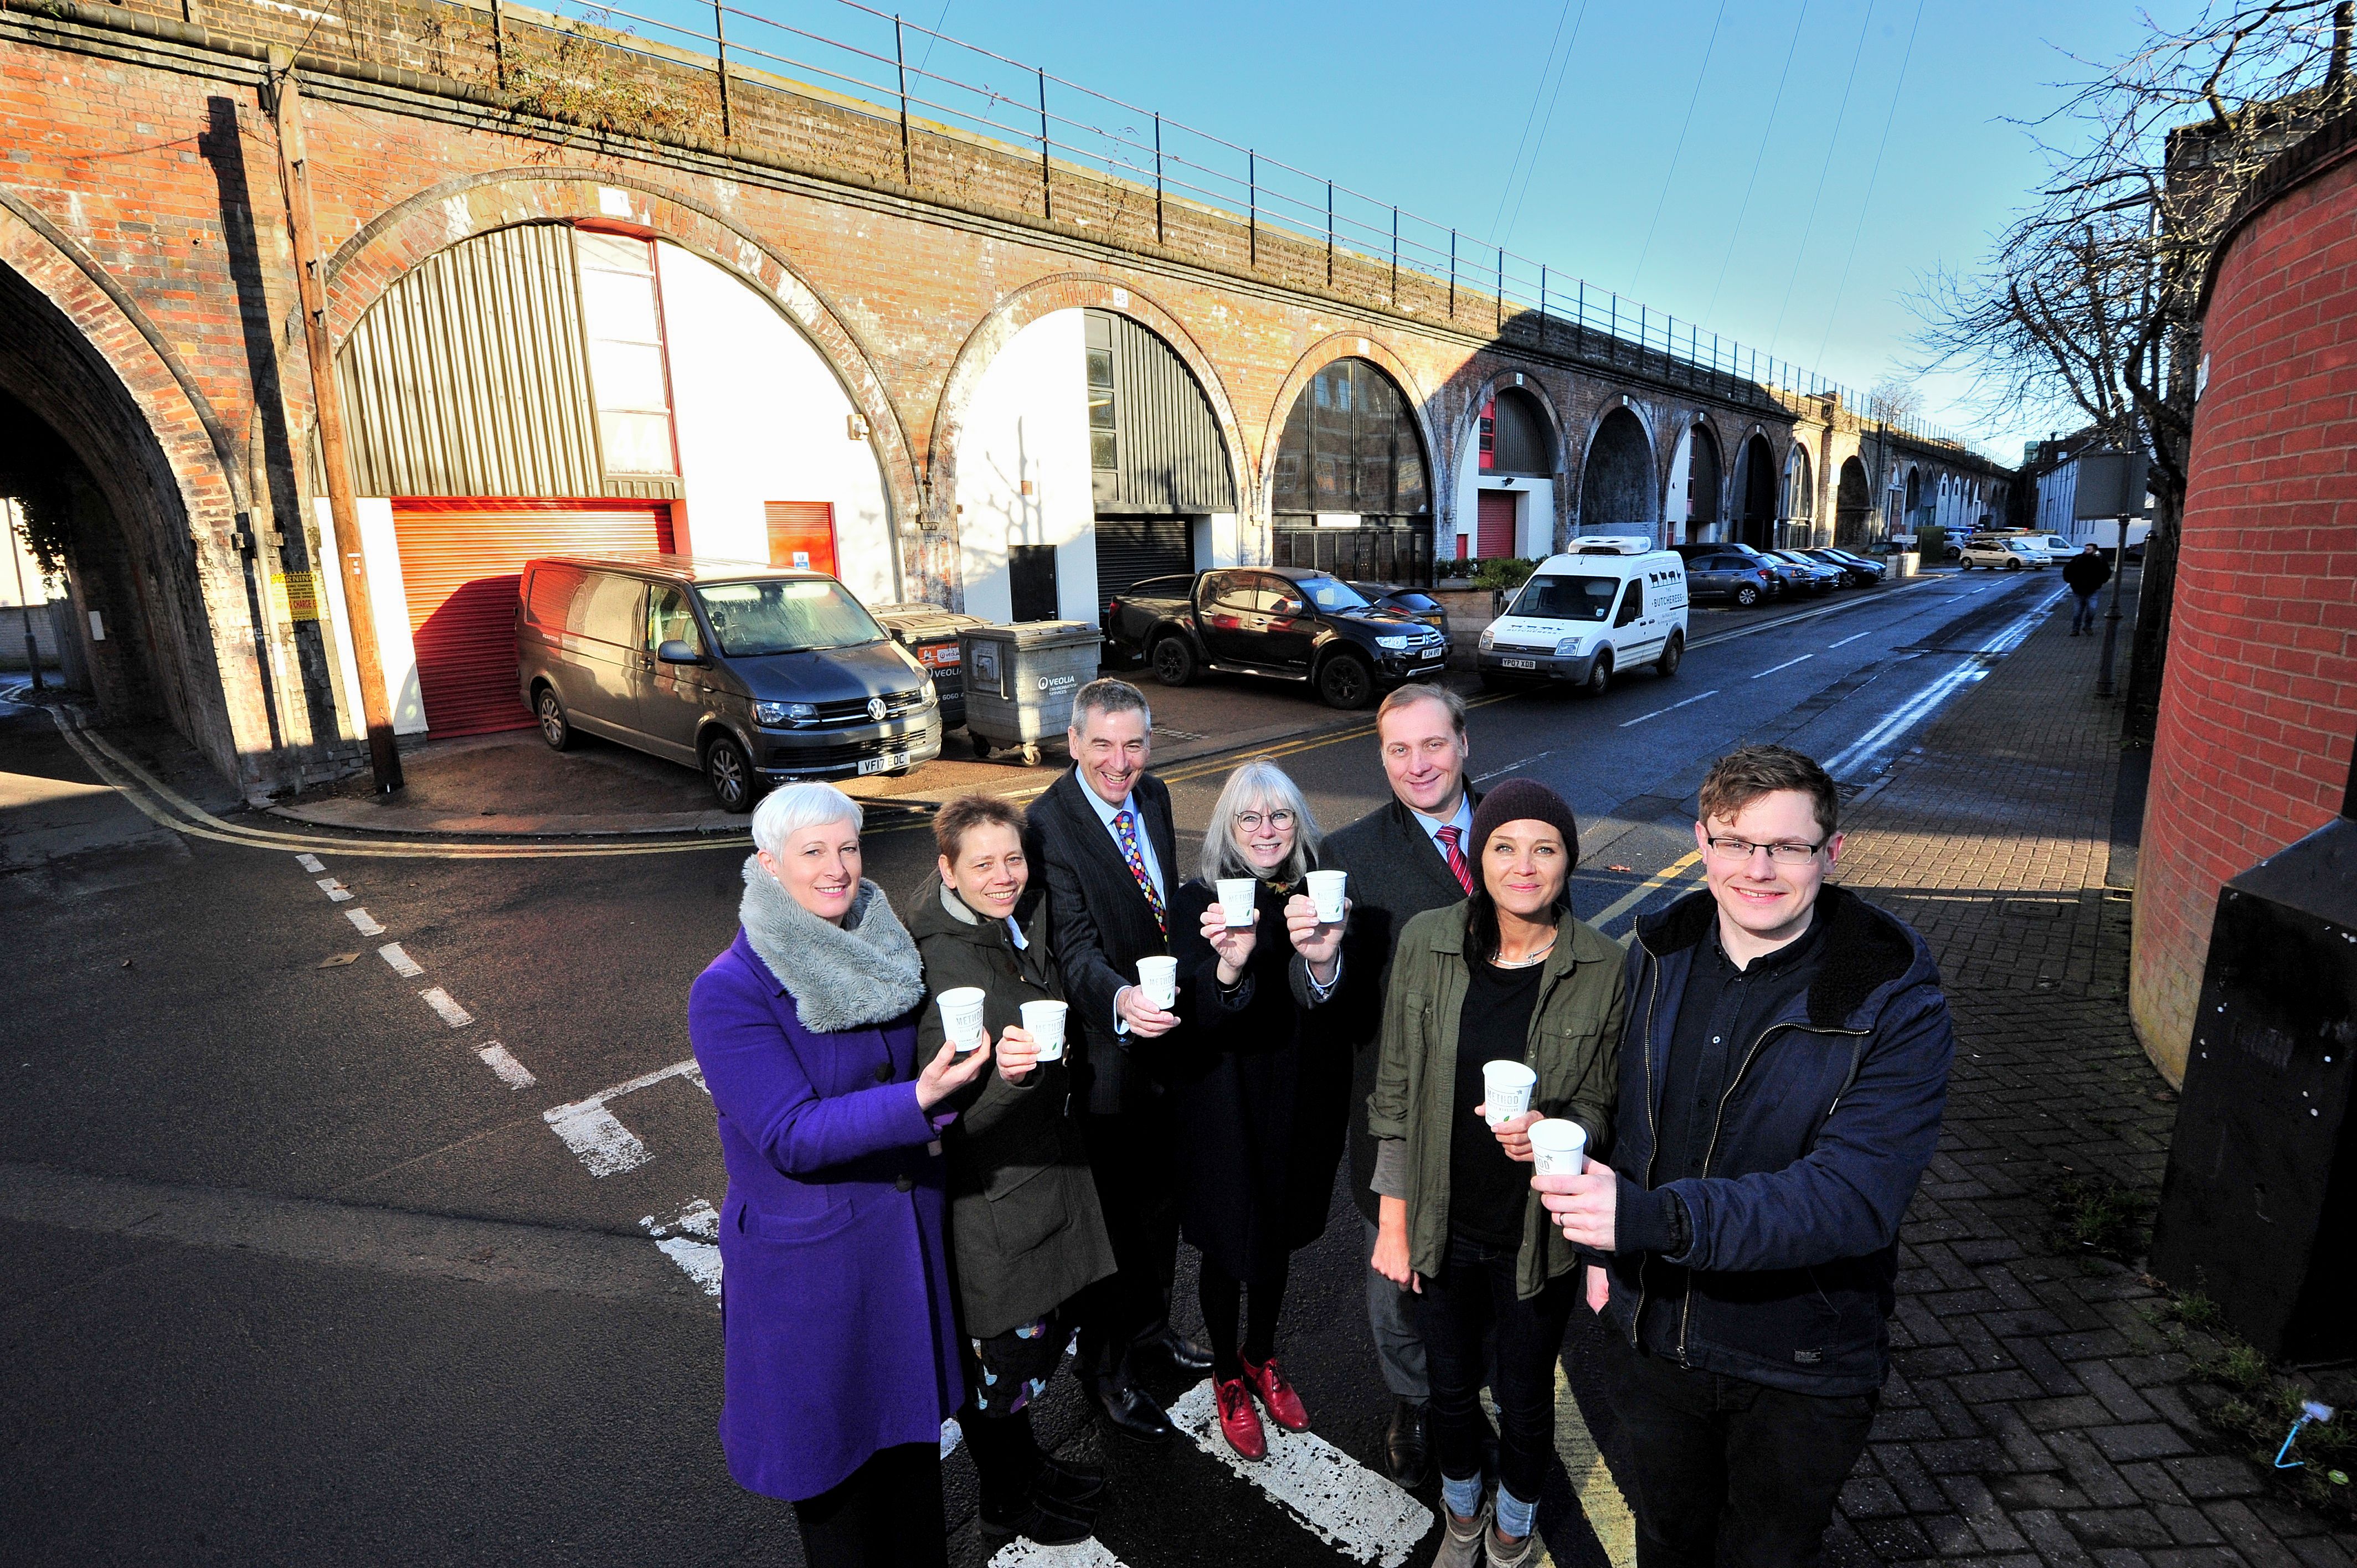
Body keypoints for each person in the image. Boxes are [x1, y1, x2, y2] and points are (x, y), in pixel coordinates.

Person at [1537, 744, 1954, 1568]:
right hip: (1657, 1341)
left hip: (1799, 1361)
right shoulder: (1661, 948)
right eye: (1735, 842)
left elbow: (1855, 1196)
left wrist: (1652, 1219)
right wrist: (1564, 1139)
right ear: (1702, 841)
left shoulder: (1891, 991)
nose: (1759, 869)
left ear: (1830, 852)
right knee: (1666, 1539)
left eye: (1788, 846)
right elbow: (1628, 1112)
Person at [687, 782, 991, 1568]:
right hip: (813, 1285)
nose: (838, 869)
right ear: (767, 864)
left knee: (916, 1498)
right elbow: (789, 1134)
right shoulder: (730, 991)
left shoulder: (877, 945)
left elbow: (919, 1072)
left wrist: (976, 1079)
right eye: (813, 852)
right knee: (841, 1513)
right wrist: (921, 1099)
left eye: (849, 848)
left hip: (900, 1258)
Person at [1368, 778, 1623, 1568]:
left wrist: (1562, 1129)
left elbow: (1603, 1105)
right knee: (1446, 1390)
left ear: (1568, 861)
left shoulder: (1604, 966)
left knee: (1523, 1397)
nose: (1524, 865)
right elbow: (1398, 1086)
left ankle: (1514, 1522)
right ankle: (1462, 1510)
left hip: (1534, 1238)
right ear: (1478, 859)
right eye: (1504, 846)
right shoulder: (1427, 940)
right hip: (1444, 1221)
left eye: (1544, 848)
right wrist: (1394, 1219)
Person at [908, 793, 1117, 1545]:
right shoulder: (943, 964)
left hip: (1040, 1181)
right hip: (994, 1205)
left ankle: (1029, 1472)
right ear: (947, 870)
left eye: (1014, 859)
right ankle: (1004, 1501)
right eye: (984, 863)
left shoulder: (1010, 923)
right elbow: (946, 1117)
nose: (1005, 876)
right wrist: (1014, 1080)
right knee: (1001, 1370)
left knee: (1026, 1358)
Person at [1025, 678, 1211, 1443]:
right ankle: (1104, 1372)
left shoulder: (1157, 797)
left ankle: (1152, 1331)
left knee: (1162, 1211)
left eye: (1133, 743)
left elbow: (1160, 908)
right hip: (1107, 1063)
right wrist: (1122, 1000)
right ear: (1073, 743)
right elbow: (1070, 947)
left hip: (1167, 1050)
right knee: (1112, 1232)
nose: (1119, 761)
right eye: (1101, 744)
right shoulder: (1049, 824)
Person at [1319, 682, 1482, 1487]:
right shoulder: (1347, 855)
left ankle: (1473, 1391)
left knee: (1488, 1267)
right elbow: (1335, 1002)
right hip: (1402, 1110)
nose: (1418, 764)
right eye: (1397, 749)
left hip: (1506, 1106)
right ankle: (1415, 1402)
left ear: (1464, 743)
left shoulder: (1520, 830)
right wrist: (1319, 966)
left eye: (1433, 744)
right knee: (1400, 1275)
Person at [1165, 757, 1349, 1459]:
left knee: (1274, 1238)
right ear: (1227, 826)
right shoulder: (1198, 901)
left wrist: (1325, 960)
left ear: (1297, 823)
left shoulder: (1317, 895)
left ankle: (1260, 1357)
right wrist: (1228, 967)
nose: (1266, 830)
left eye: (1280, 816)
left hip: (1298, 1098)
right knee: (1225, 1242)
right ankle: (1223, 1372)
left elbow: (1337, 1008)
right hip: (1221, 1103)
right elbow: (1196, 1014)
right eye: (1250, 817)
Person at [2063, 541, 2111, 635]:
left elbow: (2106, 572)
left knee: (2092, 610)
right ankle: (2075, 630)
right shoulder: (2078, 559)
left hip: (2093, 590)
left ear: (2094, 551)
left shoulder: (2100, 561)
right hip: (2078, 590)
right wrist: (2070, 581)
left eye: (2088, 549)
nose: (2086, 551)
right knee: (2077, 612)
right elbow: (2067, 570)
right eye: (2085, 549)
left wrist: (2101, 582)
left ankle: (2087, 626)